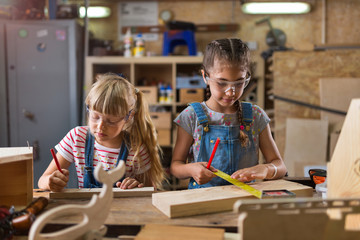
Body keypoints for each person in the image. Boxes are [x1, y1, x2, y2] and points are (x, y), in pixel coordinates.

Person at [170, 38, 287, 189]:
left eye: (239, 83)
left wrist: (266, 169)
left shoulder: (256, 116)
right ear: (205, 76)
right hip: (204, 200)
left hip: (244, 199)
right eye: (221, 82)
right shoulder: (191, 116)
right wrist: (191, 169)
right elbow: (175, 166)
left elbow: (280, 166)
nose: (230, 91)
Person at [38, 73, 165, 192]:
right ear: (88, 109)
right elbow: (42, 181)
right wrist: (50, 182)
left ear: (129, 116)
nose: (100, 126)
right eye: (95, 117)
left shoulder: (136, 149)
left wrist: (137, 186)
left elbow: (150, 191)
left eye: (111, 121)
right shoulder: (76, 138)